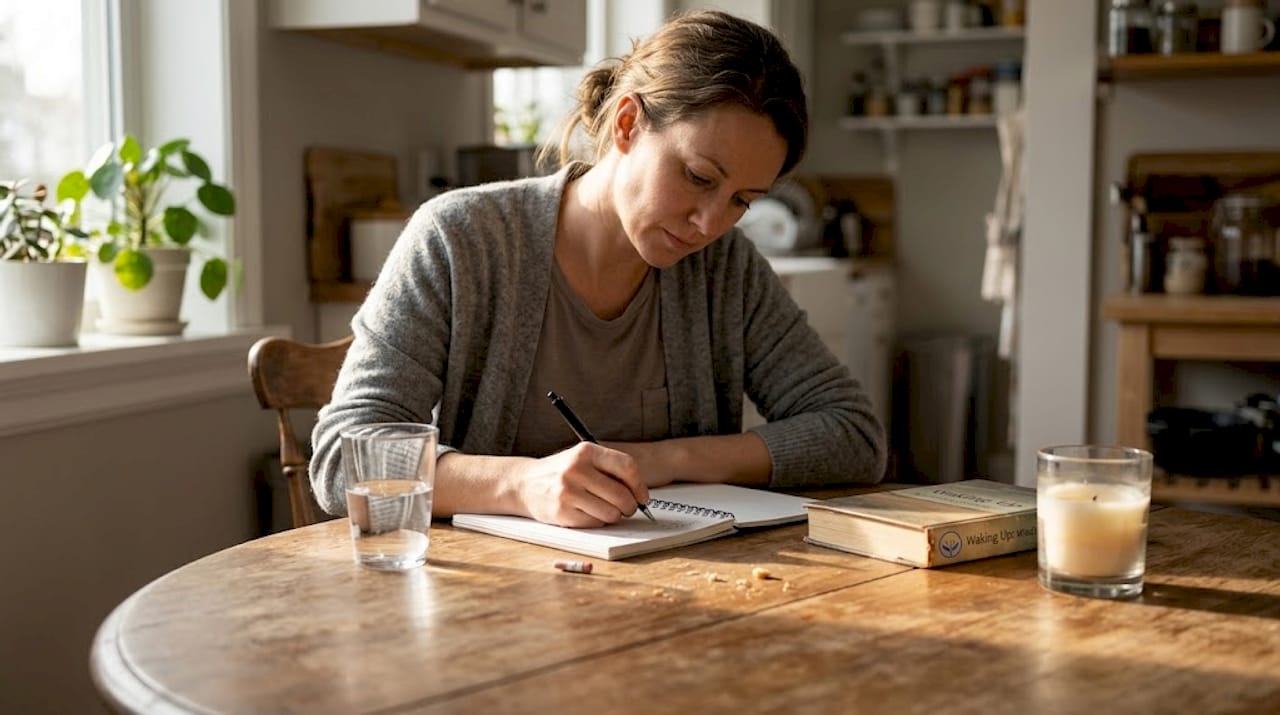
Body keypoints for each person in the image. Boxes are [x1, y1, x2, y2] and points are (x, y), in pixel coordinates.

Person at [310, 9, 886, 528]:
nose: (710, 223)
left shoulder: (725, 268)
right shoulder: (461, 240)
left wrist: (664, 460)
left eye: (741, 200)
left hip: (679, 592)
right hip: (483, 602)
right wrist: (521, 484)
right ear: (628, 124)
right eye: (699, 177)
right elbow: (345, 456)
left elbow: (854, 435)